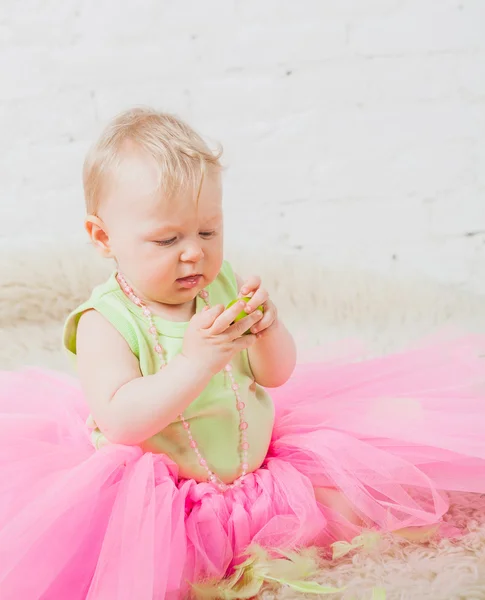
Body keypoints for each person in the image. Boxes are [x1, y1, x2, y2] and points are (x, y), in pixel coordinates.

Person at [1, 107, 485, 600]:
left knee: (369, 509)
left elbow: (273, 376)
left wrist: (269, 331)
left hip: (260, 476)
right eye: (167, 239)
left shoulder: (220, 284)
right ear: (103, 238)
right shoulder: (104, 323)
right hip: (167, 500)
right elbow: (123, 421)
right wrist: (194, 362)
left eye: (207, 232)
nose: (193, 253)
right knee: (158, 574)